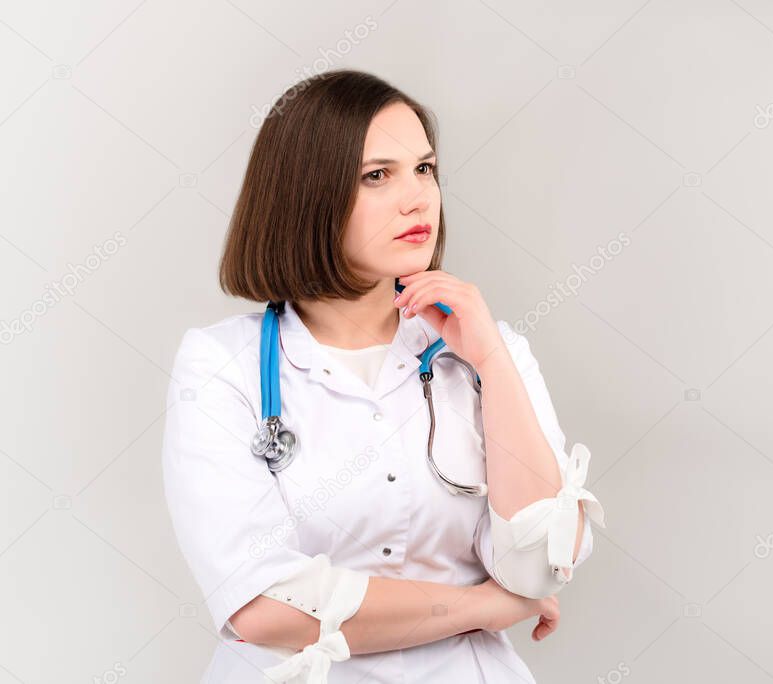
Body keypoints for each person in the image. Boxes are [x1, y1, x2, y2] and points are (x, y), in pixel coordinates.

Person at [161, 69, 606, 683]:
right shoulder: (221, 366)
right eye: (378, 175)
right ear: (307, 196)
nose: (418, 197)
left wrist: (494, 365)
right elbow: (260, 606)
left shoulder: (487, 354)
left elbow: (537, 565)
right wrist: (480, 606)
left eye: (424, 169)